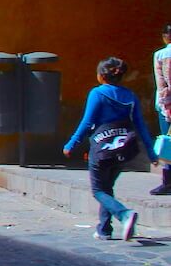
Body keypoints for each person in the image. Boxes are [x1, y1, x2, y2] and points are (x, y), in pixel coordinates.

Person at [64, 56, 153, 240]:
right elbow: (140, 125)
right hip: (123, 149)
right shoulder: (130, 96)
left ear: (101, 76)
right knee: (107, 188)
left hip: (102, 148)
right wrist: (151, 152)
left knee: (98, 190)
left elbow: (87, 122)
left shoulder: (97, 93)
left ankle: (124, 214)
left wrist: (72, 143)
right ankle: (104, 229)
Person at [152, 25, 171, 196]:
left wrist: (165, 105)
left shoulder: (161, 55)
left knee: (168, 144)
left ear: (166, 36)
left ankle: (168, 182)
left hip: (168, 106)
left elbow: (162, 84)